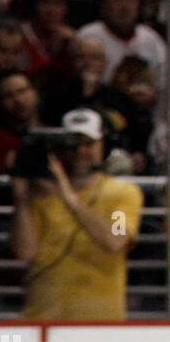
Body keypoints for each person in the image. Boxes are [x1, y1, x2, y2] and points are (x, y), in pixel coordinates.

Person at [11, 108, 142, 321]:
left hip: (101, 322)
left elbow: (115, 240)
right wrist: (21, 199)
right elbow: (25, 252)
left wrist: (68, 198)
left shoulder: (123, 193)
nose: (80, 151)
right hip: (42, 319)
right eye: (73, 144)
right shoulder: (39, 195)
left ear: (103, 146)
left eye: (89, 143)